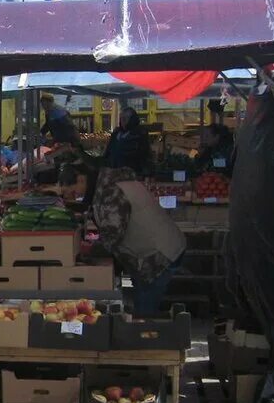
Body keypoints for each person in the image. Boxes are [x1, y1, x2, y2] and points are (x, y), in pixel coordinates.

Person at [61, 164, 184, 316]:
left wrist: (87, 251)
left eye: (73, 191)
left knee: (145, 310)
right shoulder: (111, 184)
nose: (74, 196)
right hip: (157, 249)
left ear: (80, 179)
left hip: (158, 254)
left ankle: (145, 336)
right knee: (143, 303)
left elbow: (113, 233)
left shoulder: (111, 191)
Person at [102, 106, 151, 175]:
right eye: (121, 118)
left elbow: (144, 155)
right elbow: (108, 151)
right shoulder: (116, 133)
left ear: (132, 119)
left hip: (131, 173)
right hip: (113, 172)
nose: (122, 121)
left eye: (125, 118)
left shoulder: (139, 134)